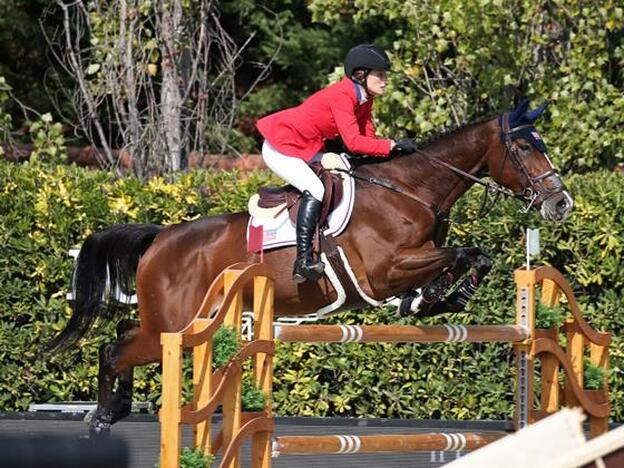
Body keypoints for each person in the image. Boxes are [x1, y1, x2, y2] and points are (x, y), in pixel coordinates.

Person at [256, 44, 418, 283]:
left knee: (345, 171)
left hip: (307, 147)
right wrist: (392, 145)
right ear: (361, 75)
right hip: (282, 145)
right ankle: (303, 260)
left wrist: (391, 154)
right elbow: (353, 143)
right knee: (317, 189)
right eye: (380, 75)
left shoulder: (364, 98)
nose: (385, 81)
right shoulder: (343, 95)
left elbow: (368, 139)